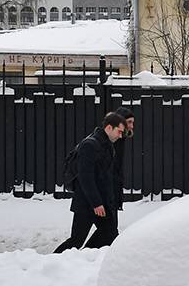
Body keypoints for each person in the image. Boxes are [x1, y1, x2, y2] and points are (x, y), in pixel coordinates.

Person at [54, 112, 125, 253]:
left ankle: (85, 257)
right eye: (119, 131)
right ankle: (51, 261)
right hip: (87, 203)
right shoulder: (90, 145)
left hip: (102, 203)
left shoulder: (107, 146)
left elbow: (105, 177)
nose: (121, 136)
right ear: (109, 128)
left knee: (109, 234)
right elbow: (85, 177)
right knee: (76, 240)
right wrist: (96, 203)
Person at [112, 107, 135, 212]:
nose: (132, 126)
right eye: (129, 122)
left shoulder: (120, 140)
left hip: (111, 196)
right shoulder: (111, 140)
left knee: (110, 228)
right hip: (104, 197)